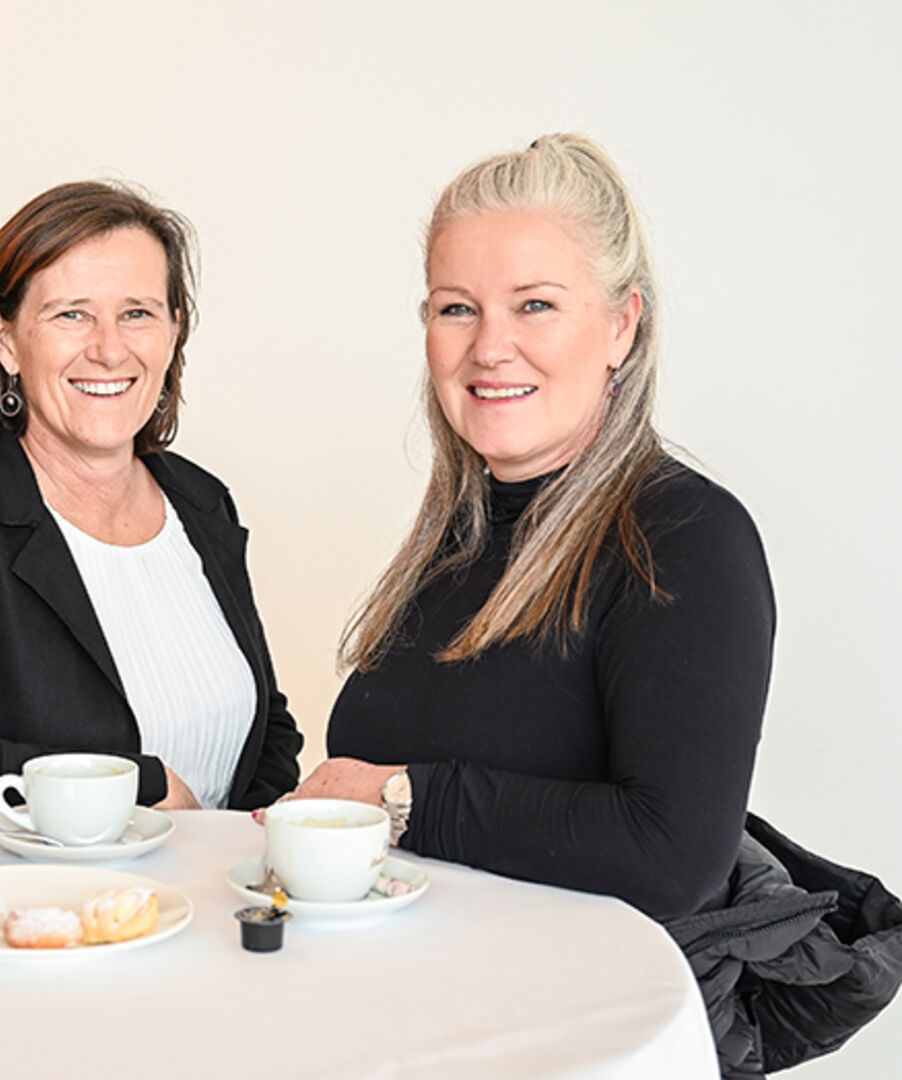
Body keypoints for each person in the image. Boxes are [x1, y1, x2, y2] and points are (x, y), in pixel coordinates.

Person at [290, 134, 774, 921]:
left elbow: (672, 855)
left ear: (623, 326)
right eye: (457, 309)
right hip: (424, 1008)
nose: (488, 347)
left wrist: (398, 794)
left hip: (573, 1026)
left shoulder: (683, 537)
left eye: (534, 305)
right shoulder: (463, 535)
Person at [0, 180, 302, 822]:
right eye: (71, 314)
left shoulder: (201, 502)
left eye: (137, 312)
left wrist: (236, 848)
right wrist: (134, 784)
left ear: (173, 333)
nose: (109, 349)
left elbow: (266, 724)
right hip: (38, 912)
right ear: (5, 339)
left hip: (208, 908)